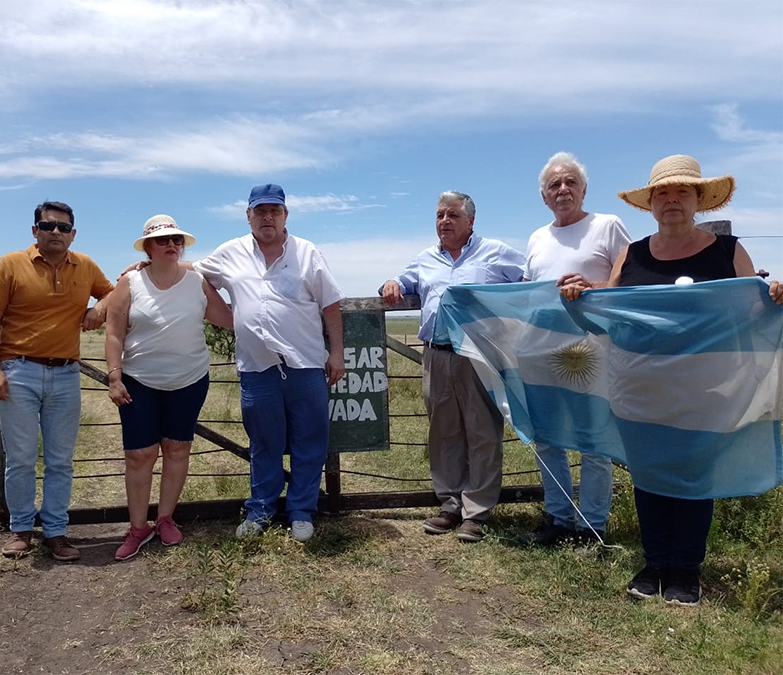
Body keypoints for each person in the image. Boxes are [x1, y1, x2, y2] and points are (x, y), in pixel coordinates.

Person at [562, 154, 783, 606]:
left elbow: (756, 308)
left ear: (699, 199)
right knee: (648, 476)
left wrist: (777, 294)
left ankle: (685, 570)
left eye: (682, 191)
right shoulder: (633, 254)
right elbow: (606, 314)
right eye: (662, 193)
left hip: (707, 392)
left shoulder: (728, 250)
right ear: (650, 204)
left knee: (694, 476)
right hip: (640, 391)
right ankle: (655, 562)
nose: (671, 200)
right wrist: (578, 295)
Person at [193, 184, 345, 542]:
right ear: (248, 216)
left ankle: (302, 512)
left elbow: (331, 304)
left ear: (285, 216)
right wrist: (225, 314)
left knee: (310, 441)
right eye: (260, 211)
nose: (267, 217)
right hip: (256, 368)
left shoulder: (308, 253)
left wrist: (336, 352)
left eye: (274, 211)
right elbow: (195, 275)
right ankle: (261, 509)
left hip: (305, 365)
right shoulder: (230, 252)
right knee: (264, 442)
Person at [380, 191, 525, 542]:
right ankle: (449, 504)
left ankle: (477, 511)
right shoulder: (425, 259)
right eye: (440, 215)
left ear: (470, 221)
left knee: (482, 431)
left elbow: (530, 280)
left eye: (453, 215)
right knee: (443, 430)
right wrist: (392, 283)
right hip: (436, 354)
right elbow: (402, 283)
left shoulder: (496, 253)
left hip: (479, 354)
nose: (444, 221)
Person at [0, 200, 113, 561]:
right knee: (20, 458)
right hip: (18, 372)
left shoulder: (84, 266)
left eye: (64, 227)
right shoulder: (11, 264)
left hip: (66, 373)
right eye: (49, 225)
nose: (56, 232)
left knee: (60, 460)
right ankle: (21, 529)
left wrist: (100, 306)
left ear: (73, 234)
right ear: (34, 229)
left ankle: (55, 531)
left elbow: (114, 292)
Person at [105, 215, 233, 561]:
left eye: (177, 240)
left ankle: (165, 519)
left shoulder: (197, 282)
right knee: (139, 454)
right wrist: (114, 376)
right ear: (148, 247)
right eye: (163, 241)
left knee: (177, 450)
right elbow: (114, 331)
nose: (171, 246)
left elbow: (229, 318)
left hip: (189, 380)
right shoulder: (130, 283)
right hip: (138, 381)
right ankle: (137, 527)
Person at [520, 152, 631, 547]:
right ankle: (559, 516)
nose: (563, 189)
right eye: (554, 185)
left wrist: (592, 290)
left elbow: (631, 280)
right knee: (547, 437)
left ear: (584, 190)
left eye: (570, 182)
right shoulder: (536, 238)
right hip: (541, 351)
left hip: (593, 351)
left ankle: (592, 525)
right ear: (545, 198)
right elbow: (527, 292)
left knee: (594, 439)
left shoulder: (607, 226)